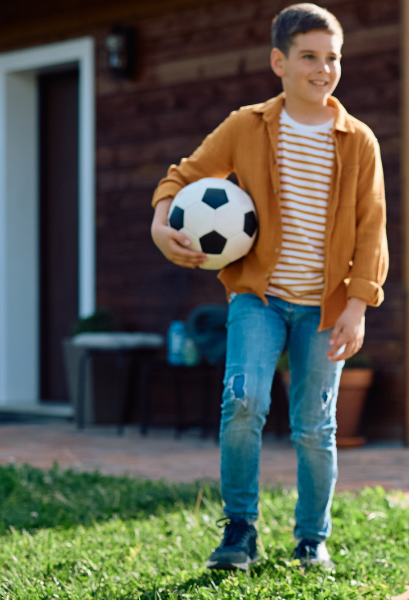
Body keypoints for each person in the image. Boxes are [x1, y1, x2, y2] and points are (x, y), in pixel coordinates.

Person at [148, 3, 388, 572]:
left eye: (332, 58)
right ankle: (239, 530)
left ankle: (312, 539)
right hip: (258, 298)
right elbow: (184, 175)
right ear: (279, 61)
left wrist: (358, 304)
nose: (323, 69)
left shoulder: (358, 141)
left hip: (325, 309)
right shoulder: (247, 126)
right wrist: (163, 223)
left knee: (314, 426)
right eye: (309, 56)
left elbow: (372, 225)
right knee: (243, 401)